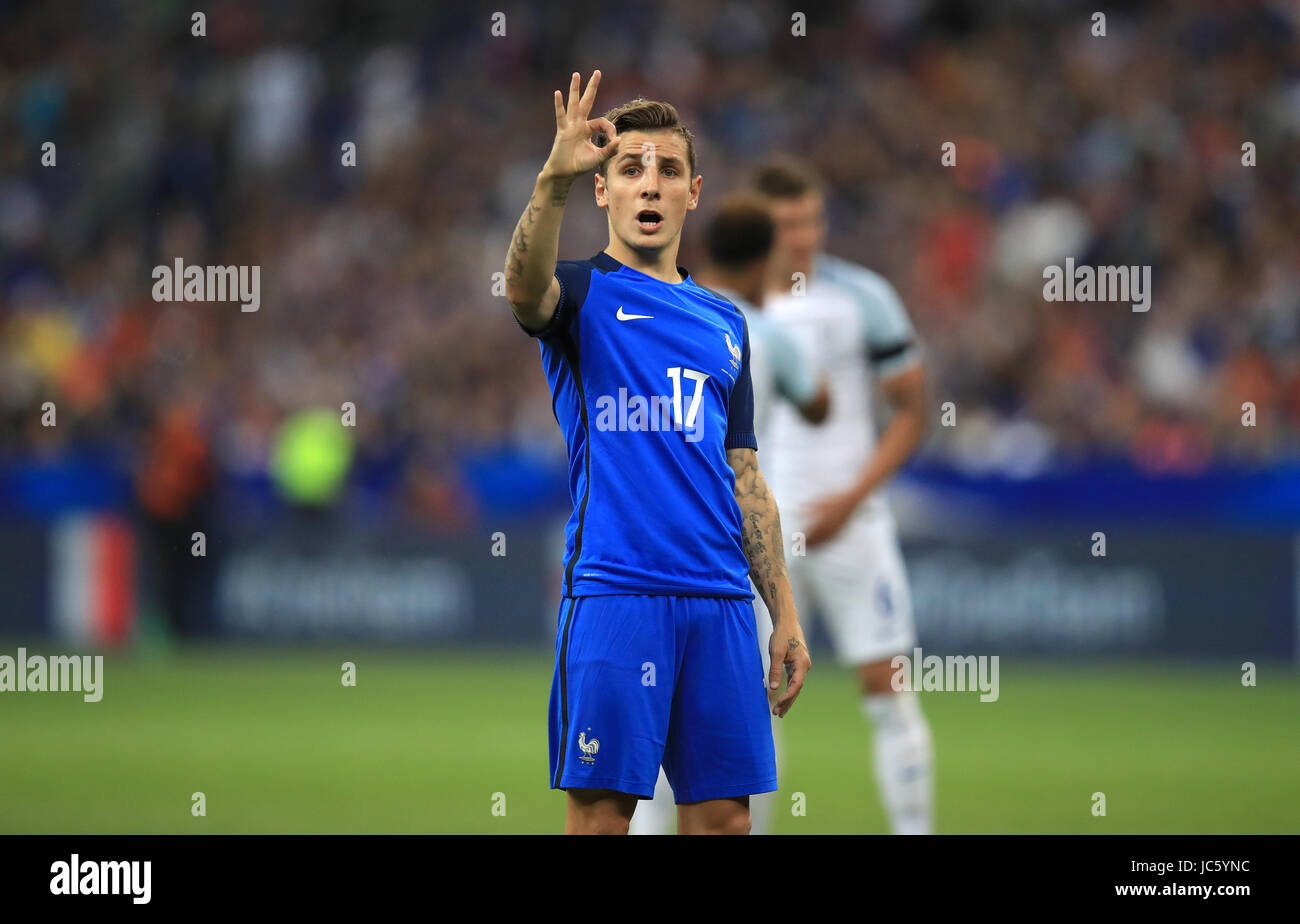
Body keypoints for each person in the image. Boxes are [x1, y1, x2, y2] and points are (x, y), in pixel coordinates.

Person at [502, 71, 811, 835]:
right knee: (604, 821)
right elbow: (518, 289)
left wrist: (787, 614)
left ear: (693, 193)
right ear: (603, 191)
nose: (650, 184)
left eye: (667, 170)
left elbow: (745, 475)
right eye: (630, 168)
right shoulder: (576, 297)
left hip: (719, 603)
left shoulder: (725, 323)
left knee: (725, 825)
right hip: (618, 595)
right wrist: (553, 177)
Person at [629, 191, 829, 835]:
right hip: (742, 536)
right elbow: (820, 403)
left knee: (651, 714)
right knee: (758, 705)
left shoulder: (656, 315)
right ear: (767, 260)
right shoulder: (761, 331)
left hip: (653, 537)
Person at [754, 158, 935, 835]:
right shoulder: (726, 304)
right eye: (787, 223)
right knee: (748, 705)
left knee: (888, 694)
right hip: (759, 534)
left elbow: (913, 411)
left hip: (851, 525)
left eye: (812, 220)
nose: (803, 235)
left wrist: (852, 498)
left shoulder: (865, 297)